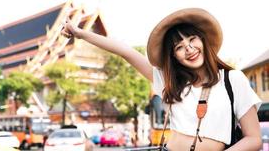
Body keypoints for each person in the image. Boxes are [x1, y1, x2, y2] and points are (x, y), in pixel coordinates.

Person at [61, 8, 262, 151]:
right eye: (179, 47)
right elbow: (125, 51)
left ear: (203, 40)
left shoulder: (232, 80)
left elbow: (254, 139)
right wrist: (80, 34)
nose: (189, 49)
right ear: (174, 56)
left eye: (192, 40)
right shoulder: (171, 82)